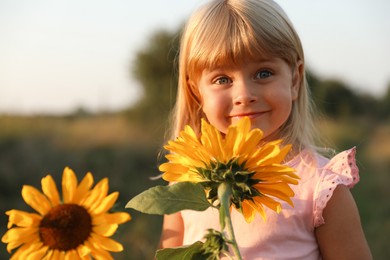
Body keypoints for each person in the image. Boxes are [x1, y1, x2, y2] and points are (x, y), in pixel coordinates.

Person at [159, 0, 372, 259]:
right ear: (196, 91)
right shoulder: (186, 177)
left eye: (263, 73)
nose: (244, 95)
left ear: (294, 80)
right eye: (222, 79)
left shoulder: (321, 188)